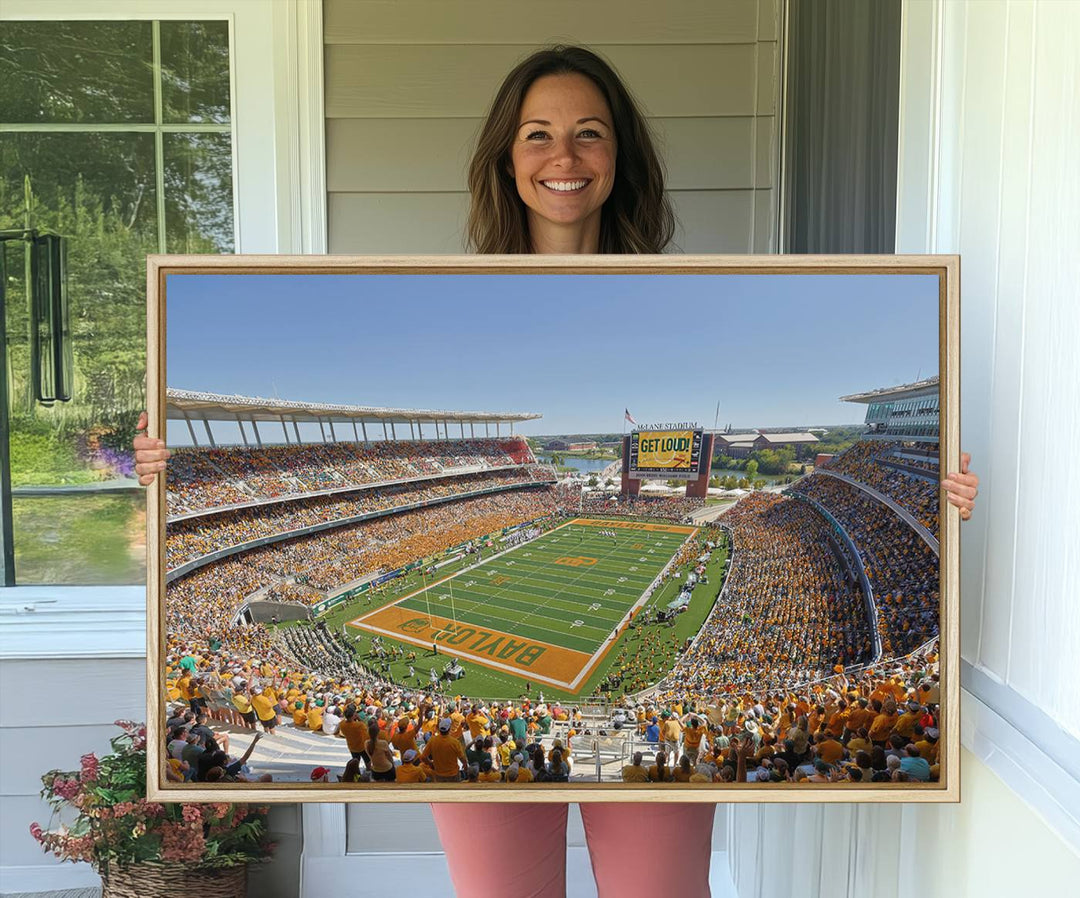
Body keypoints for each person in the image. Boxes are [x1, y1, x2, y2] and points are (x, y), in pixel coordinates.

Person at [135, 42, 980, 898]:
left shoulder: (690, 289)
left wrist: (939, 495)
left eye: (589, 133)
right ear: (506, 158)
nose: (563, 157)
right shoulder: (450, 296)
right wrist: (166, 469)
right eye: (537, 134)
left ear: (621, 157)